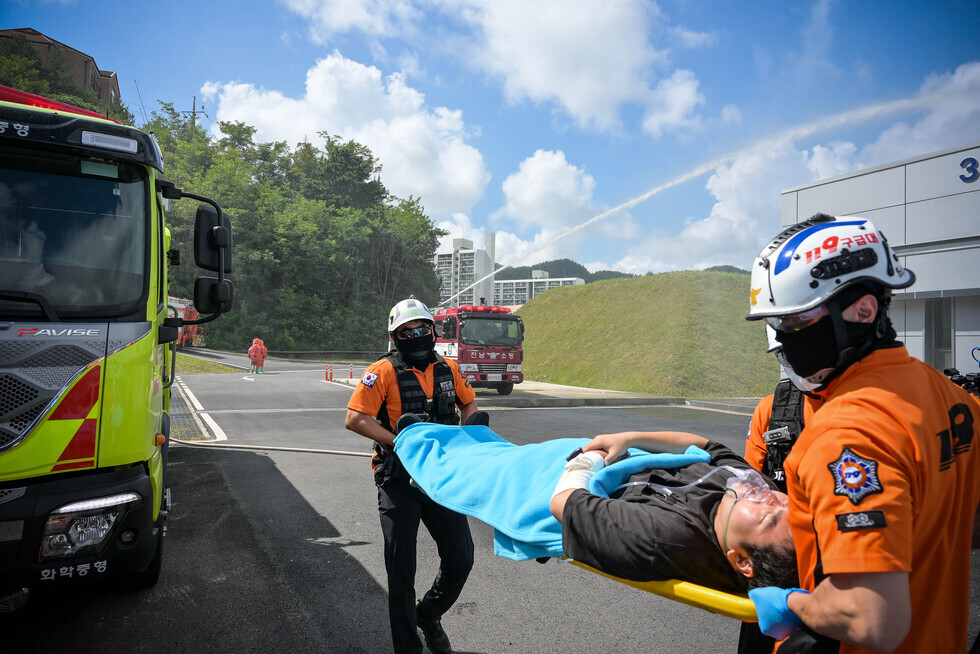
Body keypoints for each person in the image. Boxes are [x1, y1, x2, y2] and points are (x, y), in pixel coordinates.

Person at [744, 213, 980, 652]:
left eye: (794, 321)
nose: (782, 336)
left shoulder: (842, 433)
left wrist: (795, 603)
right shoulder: (954, 399)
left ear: (863, 310)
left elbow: (871, 618)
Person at [345, 298, 478, 654]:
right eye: (407, 332)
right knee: (401, 572)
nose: (416, 336)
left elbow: (470, 404)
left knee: (461, 557)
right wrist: (398, 441)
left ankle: (429, 613)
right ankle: (408, 648)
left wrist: (466, 434)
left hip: (441, 478)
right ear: (395, 337)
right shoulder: (383, 372)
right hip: (399, 481)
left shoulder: (448, 368)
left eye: (422, 329)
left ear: (433, 331)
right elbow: (355, 418)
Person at [548, 430, 799, 597]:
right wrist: (628, 438)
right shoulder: (757, 487)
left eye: (768, 518)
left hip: (573, 465)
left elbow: (563, 502)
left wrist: (588, 460)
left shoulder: (664, 535)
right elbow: (704, 445)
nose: (770, 497)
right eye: (788, 504)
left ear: (742, 561)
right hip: (619, 448)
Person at [744, 328, 821, 491]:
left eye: (804, 349)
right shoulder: (769, 410)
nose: (798, 362)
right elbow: (751, 486)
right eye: (786, 353)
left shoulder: (863, 404)